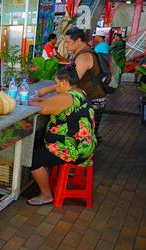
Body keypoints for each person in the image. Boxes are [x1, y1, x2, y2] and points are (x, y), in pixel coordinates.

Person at [27, 64, 97, 206]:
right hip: (85, 145)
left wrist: (27, 102)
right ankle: (45, 182)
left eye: (56, 83)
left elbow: (43, 109)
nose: (55, 86)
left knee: (33, 159)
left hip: (73, 149)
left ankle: (46, 195)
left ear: (65, 83)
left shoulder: (65, 97)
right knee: (39, 147)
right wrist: (38, 100)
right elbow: (52, 102)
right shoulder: (79, 92)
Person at [38, 27, 107, 141]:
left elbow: (69, 82)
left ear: (79, 40)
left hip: (94, 99)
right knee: (89, 135)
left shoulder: (83, 57)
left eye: (68, 42)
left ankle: (85, 157)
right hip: (90, 98)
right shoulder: (81, 54)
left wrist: (46, 90)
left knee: (88, 137)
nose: (66, 46)